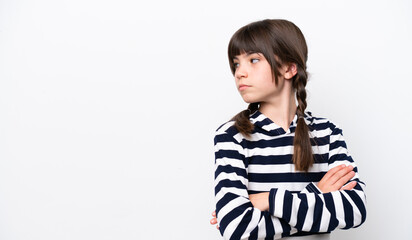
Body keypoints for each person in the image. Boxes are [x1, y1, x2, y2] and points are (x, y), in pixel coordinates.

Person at [210, 19, 366, 240]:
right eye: (236, 63)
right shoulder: (232, 136)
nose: (240, 73)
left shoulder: (327, 133)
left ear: (289, 68)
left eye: (253, 60)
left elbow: (354, 209)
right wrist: (316, 194)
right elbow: (236, 226)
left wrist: (268, 200)